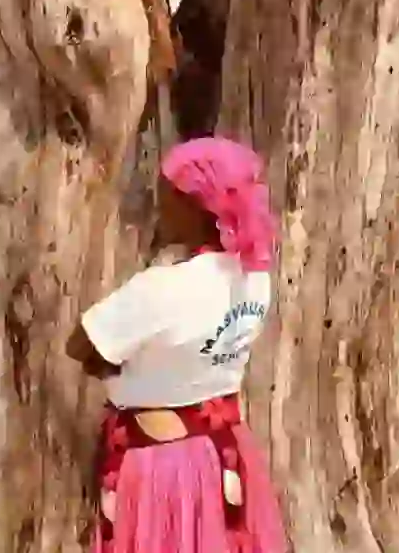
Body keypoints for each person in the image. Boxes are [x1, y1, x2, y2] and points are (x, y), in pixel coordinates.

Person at [66, 137, 285, 553]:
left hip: (159, 462)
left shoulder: (164, 286)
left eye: (166, 195)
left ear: (193, 204)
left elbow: (81, 344)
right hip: (223, 449)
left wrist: (117, 367)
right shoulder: (254, 275)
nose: (158, 207)